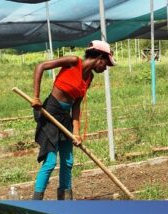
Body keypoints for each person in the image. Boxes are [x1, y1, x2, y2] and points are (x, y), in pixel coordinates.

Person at [30, 41, 116, 200]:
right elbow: (40, 66)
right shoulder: (73, 62)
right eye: (106, 64)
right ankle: (36, 200)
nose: (105, 69)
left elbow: (76, 106)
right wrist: (36, 96)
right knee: (49, 162)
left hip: (65, 117)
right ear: (99, 58)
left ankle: (65, 198)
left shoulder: (88, 78)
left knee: (68, 161)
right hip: (50, 112)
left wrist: (76, 133)